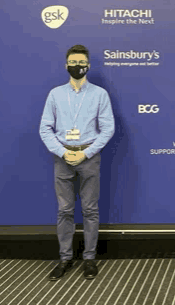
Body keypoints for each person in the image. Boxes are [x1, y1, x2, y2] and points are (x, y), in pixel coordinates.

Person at [39, 44, 115, 281]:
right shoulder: (55, 94)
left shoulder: (100, 94)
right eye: (73, 62)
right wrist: (62, 152)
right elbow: (45, 128)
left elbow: (108, 128)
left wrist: (87, 153)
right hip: (62, 158)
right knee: (65, 210)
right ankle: (65, 258)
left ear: (88, 65)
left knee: (90, 210)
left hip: (89, 157)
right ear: (66, 65)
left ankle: (90, 259)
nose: (77, 66)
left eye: (82, 62)